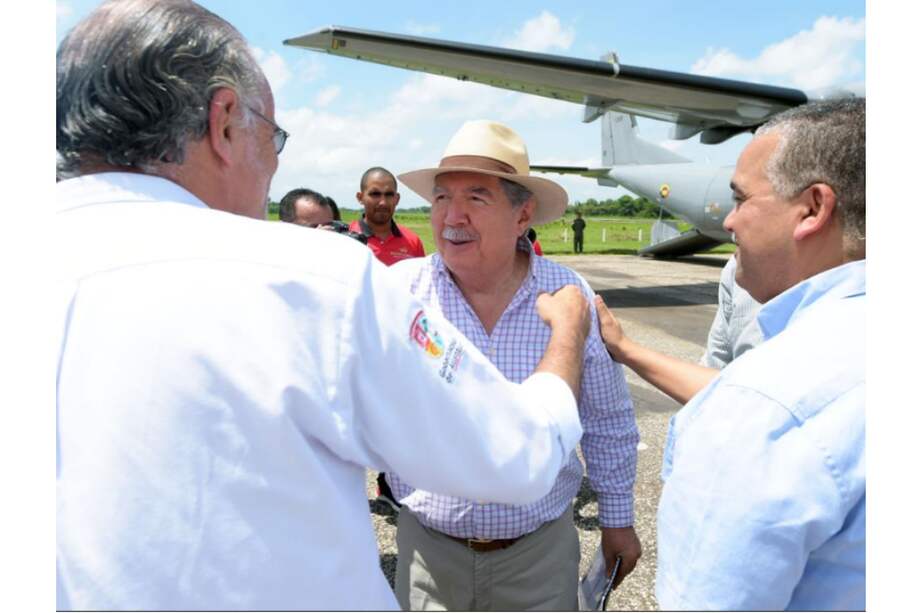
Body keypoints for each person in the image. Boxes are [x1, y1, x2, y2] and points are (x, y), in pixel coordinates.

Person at [55, 2, 597, 609]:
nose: (275, 162)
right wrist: (567, 338)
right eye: (273, 134)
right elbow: (514, 456)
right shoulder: (319, 281)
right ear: (225, 121)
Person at [596, 98, 866, 610]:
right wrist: (626, 348)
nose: (729, 222)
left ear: (813, 208)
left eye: (741, 199)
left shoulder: (761, 406)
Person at [389, 120, 641, 611]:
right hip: (428, 554)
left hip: (538, 558)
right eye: (442, 198)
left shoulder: (568, 297)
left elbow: (607, 421)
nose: (452, 217)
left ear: (522, 214)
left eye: (476, 198)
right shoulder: (400, 293)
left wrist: (617, 520)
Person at [597, 254, 762, 405]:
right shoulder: (736, 268)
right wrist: (623, 348)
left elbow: (752, 399)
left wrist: (625, 349)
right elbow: (714, 378)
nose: (729, 223)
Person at [349, 166, 426, 265]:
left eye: (389, 195)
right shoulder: (346, 238)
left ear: (397, 199)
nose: (383, 202)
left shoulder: (413, 242)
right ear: (360, 197)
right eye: (375, 194)